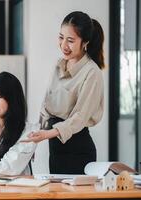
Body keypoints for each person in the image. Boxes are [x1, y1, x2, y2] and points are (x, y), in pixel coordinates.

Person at [22, 11, 105, 174]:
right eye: (61, 37)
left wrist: (46, 134)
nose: (63, 45)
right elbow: (46, 106)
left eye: (71, 40)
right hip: (56, 150)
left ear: (85, 42)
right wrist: (35, 141)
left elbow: (79, 117)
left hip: (78, 150)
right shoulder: (59, 65)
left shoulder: (92, 73)